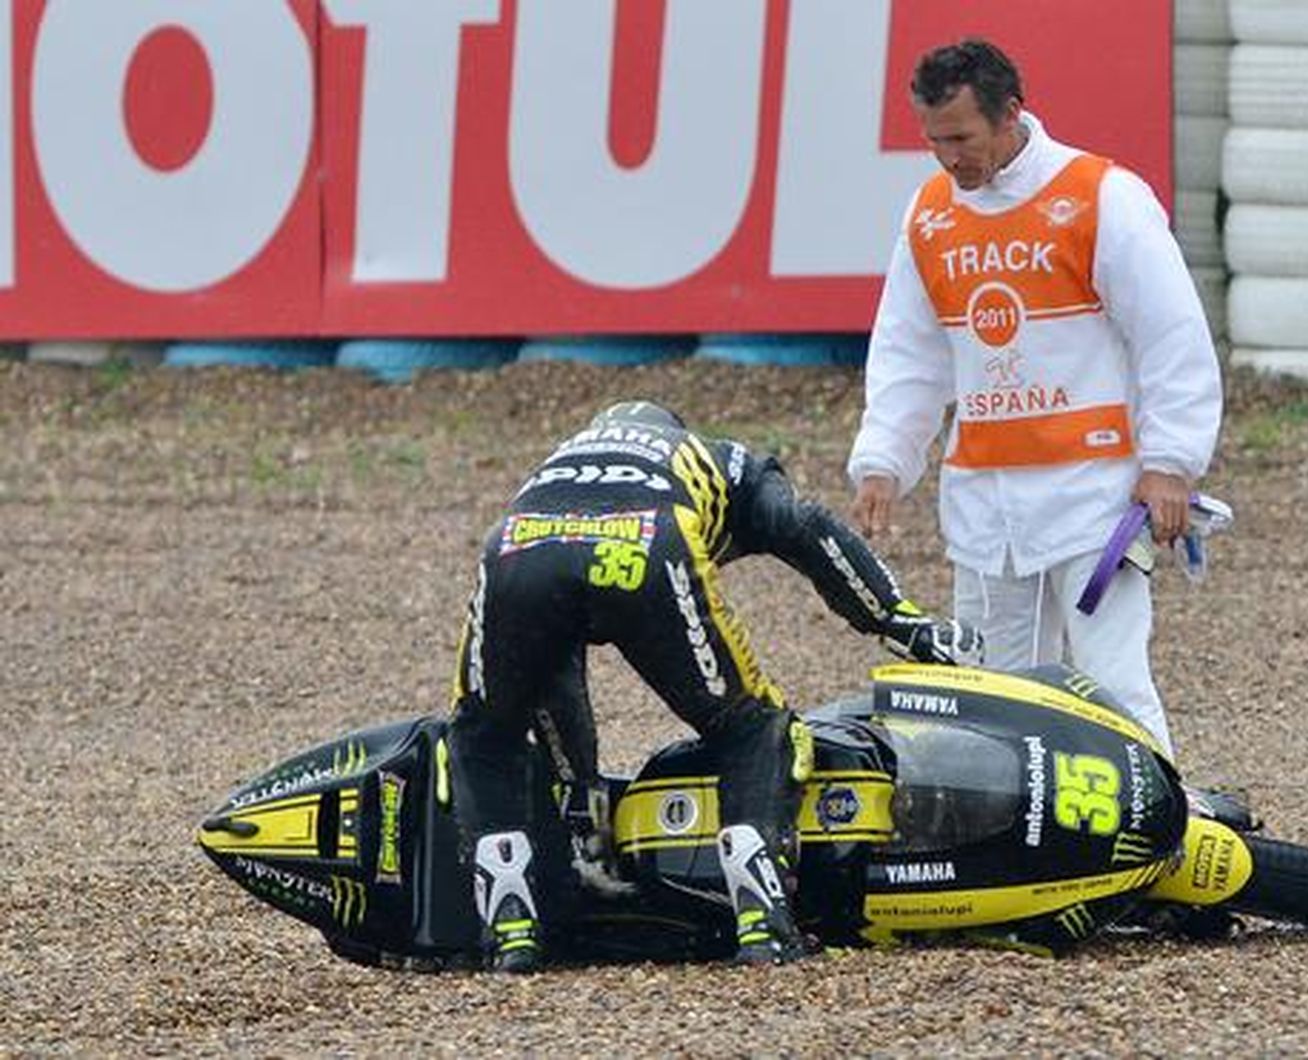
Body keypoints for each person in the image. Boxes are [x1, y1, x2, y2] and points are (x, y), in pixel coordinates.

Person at [448, 399, 981, 971]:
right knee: (753, 728)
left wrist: (582, 787)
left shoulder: (557, 463)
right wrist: (899, 622)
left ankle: (513, 932)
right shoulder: (719, 458)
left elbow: (553, 667)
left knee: (483, 737)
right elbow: (807, 528)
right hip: (647, 549)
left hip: (516, 550)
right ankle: (763, 923)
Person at [847, 39, 1223, 758]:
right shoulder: (929, 215)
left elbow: (1171, 332)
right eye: (933, 141)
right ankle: (1003, 848)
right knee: (987, 688)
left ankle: (1162, 833)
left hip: (1096, 495)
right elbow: (909, 350)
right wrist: (884, 461)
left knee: (1112, 680)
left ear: (1010, 113)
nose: (948, 158)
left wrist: (1172, 462)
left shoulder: (1100, 194)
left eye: (960, 138)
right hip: (985, 504)